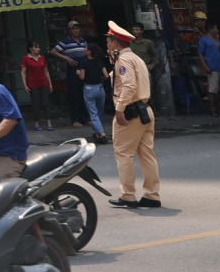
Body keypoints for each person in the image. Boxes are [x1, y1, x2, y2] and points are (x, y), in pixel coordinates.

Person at [105, 22, 160, 209]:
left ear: (115, 42)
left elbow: (128, 86)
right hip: (144, 109)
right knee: (146, 155)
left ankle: (128, 195)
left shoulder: (125, 60)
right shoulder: (136, 58)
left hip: (131, 112)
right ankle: (152, 195)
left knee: (123, 154)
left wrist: (119, 109)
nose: (107, 43)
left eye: (108, 40)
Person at [50, 21, 94, 131]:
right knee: (74, 94)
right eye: (73, 29)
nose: (76, 30)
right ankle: (75, 119)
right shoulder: (66, 41)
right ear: (69, 31)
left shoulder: (83, 41)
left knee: (84, 93)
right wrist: (66, 58)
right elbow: (53, 51)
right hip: (72, 69)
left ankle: (85, 118)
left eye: (77, 28)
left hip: (83, 68)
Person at [194, 15, 220, 117]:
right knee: (212, 90)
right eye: (215, 28)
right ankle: (212, 109)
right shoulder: (204, 40)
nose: (217, 30)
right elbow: (200, 54)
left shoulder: (217, 39)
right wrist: (206, 67)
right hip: (212, 68)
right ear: (211, 29)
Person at [82, 35, 110, 143]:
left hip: (89, 88)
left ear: (89, 52)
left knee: (93, 112)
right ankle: (97, 132)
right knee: (100, 112)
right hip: (100, 88)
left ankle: (101, 133)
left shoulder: (84, 62)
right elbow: (107, 76)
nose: (84, 49)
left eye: (86, 48)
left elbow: (82, 77)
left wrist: (78, 72)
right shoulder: (99, 61)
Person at [20, 43, 53, 131]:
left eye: (38, 47)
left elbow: (46, 71)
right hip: (33, 83)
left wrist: (50, 83)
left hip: (43, 82)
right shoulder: (26, 58)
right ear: (31, 49)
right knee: (36, 104)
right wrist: (25, 85)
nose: (38, 49)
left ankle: (49, 123)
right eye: (36, 47)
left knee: (45, 103)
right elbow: (23, 72)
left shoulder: (42, 58)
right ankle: (36, 123)